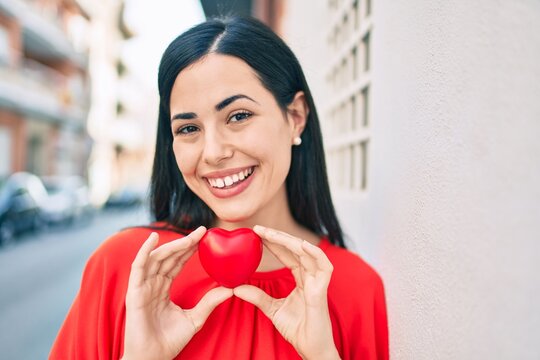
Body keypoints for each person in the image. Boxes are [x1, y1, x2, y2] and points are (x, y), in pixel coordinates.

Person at [50, 16, 388, 360]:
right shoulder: (128, 269)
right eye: (188, 128)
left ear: (296, 117)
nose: (213, 152)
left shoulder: (354, 288)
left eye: (238, 116)